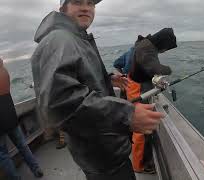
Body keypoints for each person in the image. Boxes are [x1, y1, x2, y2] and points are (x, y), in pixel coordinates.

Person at [30, 0, 164, 179]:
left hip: (102, 149)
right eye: (78, 2)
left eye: (91, 3)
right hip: (102, 158)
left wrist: (107, 78)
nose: (86, 7)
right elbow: (57, 103)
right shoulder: (59, 39)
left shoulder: (76, 37)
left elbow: (77, 75)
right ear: (63, 8)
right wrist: (127, 114)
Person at [114, 29, 177, 173]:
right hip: (137, 88)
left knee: (135, 126)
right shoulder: (147, 48)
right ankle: (139, 165)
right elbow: (154, 67)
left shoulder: (143, 45)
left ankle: (135, 154)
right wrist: (169, 69)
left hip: (134, 86)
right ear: (163, 42)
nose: (165, 51)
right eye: (166, 48)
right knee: (141, 131)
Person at [0, 58, 43, 179]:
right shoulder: (4, 71)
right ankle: (36, 169)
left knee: (3, 155)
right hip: (10, 114)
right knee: (22, 145)